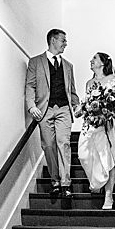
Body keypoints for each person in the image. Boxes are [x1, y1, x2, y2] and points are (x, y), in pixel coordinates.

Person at [24, 29, 80, 198]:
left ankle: (66, 183)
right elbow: (30, 85)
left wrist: (76, 106)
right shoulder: (35, 62)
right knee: (48, 145)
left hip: (64, 109)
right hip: (45, 109)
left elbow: (72, 90)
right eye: (63, 40)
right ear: (53, 40)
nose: (65, 43)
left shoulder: (68, 66)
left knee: (64, 143)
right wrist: (31, 105)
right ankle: (55, 180)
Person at [78, 52, 115, 210]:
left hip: (107, 125)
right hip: (90, 124)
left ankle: (108, 195)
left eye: (94, 59)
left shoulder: (113, 80)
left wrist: (107, 112)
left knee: (108, 159)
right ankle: (96, 181)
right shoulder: (89, 83)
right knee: (83, 155)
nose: (91, 61)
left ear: (103, 62)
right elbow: (86, 101)